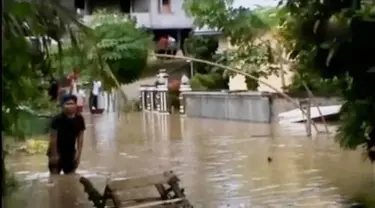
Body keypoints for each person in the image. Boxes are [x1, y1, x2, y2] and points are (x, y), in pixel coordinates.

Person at [47, 94, 86, 175]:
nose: (69, 106)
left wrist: (78, 155)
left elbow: (80, 138)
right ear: (62, 106)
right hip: (56, 151)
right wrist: (54, 155)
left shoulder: (79, 119)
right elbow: (53, 138)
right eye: (67, 104)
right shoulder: (57, 119)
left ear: (76, 105)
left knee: (71, 177)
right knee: (54, 178)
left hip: (71, 152)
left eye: (72, 103)